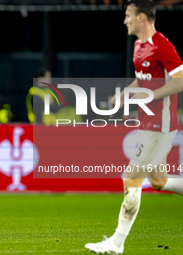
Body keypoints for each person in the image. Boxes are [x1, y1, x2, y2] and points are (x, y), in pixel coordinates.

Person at [85, 0, 183, 254]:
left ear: (142, 17)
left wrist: (150, 96)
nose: (125, 20)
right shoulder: (139, 46)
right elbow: (142, 81)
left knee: (131, 178)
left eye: (128, 15)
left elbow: (180, 81)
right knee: (159, 181)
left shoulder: (162, 45)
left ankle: (117, 243)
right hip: (147, 122)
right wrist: (124, 94)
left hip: (160, 125)